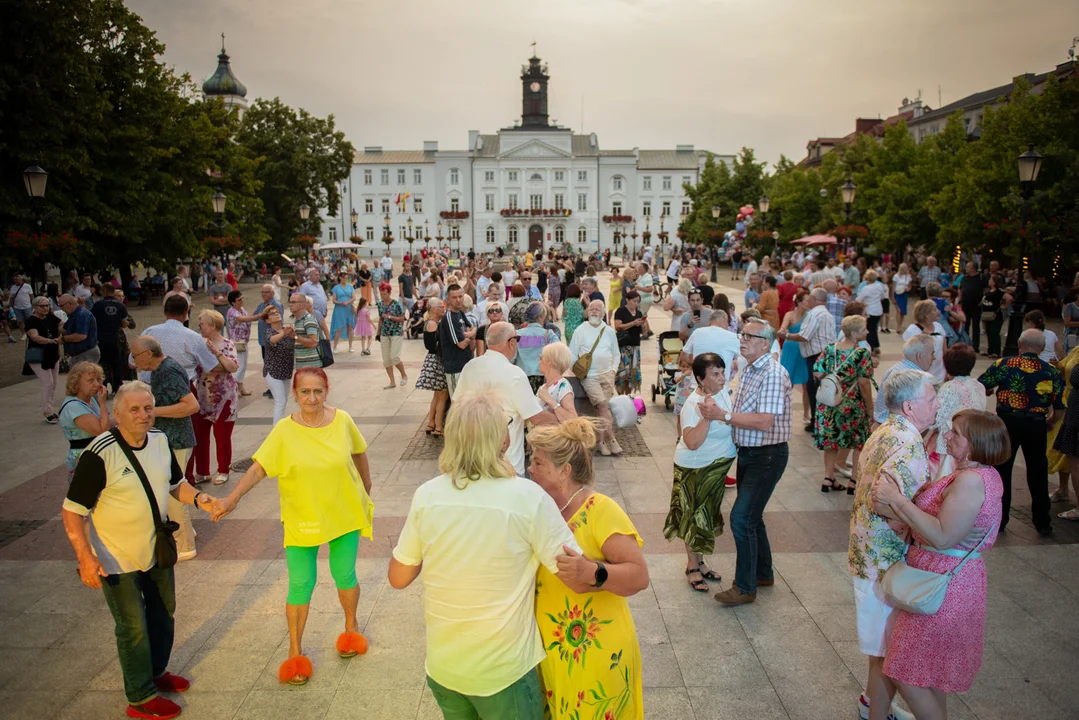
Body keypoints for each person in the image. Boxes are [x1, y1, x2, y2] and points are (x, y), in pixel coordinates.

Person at [388, 393, 579, 719]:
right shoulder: (528, 498)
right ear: (502, 441)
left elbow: (398, 577)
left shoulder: (427, 495)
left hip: (445, 669)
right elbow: (575, 572)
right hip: (504, 674)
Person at [62, 381, 216, 720]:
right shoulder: (99, 453)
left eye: (148, 408)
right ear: (117, 414)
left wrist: (201, 499)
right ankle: (140, 697)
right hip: (117, 561)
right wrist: (85, 557)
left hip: (156, 551)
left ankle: (157, 672)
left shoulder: (160, 441)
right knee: (133, 626)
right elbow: (73, 510)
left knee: (164, 614)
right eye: (134, 409)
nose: (144, 415)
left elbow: (176, 484)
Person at [210, 368, 373, 685]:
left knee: (345, 575)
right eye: (305, 392)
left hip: (344, 513)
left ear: (326, 391)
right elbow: (259, 470)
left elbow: (359, 452)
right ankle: (295, 652)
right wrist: (232, 499)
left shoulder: (343, 421)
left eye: (318, 391)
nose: (312, 398)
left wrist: (366, 487)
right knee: (301, 583)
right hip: (302, 517)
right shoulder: (284, 431)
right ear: (295, 394)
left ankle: (351, 630)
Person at [873, 410, 1008, 719]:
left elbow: (944, 537)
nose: (947, 435)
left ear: (975, 444)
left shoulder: (972, 481)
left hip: (945, 586)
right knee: (927, 674)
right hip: (942, 579)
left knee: (903, 669)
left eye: (956, 433)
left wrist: (897, 501)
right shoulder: (972, 473)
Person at [529, 418, 649, 720]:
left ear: (563, 471)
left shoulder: (599, 509)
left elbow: (639, 575)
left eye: (538, 462)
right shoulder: (539, 510)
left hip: (597, 653)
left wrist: (594, 572)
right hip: (553, 652)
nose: (529, 468)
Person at [847, 369, 938, 720]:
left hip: (868, 552)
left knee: (883, 645)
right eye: (931, 400)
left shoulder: (885, 428)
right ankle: (875, 707)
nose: (936, 406)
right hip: (885, 560)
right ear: (912, 405)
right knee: (889, 648)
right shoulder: (908, 441)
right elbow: (887, 503)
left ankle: (874, 704)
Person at [712, 321, 792, 606]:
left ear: (765, 343)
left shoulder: (771, 373)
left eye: (749, 336)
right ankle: (762, 573)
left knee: (741, 518)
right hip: (751, 452)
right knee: (753, 517)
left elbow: (764, 421)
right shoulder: (750, 369)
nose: (742, 340)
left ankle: (744, 587)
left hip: (766, 455)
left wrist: (723, 416)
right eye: (742, 334)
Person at [978, 329, 1063, 535]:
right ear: (1042, 348)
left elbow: (980, 385)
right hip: (1035, 424)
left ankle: (1000, 520)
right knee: (1037, 471)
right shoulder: (1051, 372)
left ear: (1019, 344)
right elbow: (1060, 408)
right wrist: (1050, 421)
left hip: (1007, 423)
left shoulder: (1004, 364)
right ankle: (1042, 522)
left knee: (1002, 470)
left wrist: (990, 390)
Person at [664, 353, 737, 593]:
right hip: (694, 468)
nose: (721, 378)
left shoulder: (721, 394)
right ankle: (692, 566)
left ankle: (701, 562)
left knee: (705, 517)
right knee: (693, 518)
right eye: (715, 374)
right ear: (700, 379)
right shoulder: (694, 404)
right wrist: (707, 417)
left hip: (715, 469)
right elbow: (692, 442)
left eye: (722, 372)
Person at [814, 315, 875, 494]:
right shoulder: (861, 353)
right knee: (858, 442)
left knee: (831, 441)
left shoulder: (830, 349)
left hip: (829, 403)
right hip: (852, 405)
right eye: (864, 329)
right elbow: (864, 383)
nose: (868, 331)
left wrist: (833, 380)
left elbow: (817, 372)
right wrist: (870, 407)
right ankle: (853, 482)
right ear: (855, 333)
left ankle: (828, 477)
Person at [190, 310, 239, 486]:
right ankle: (202, 472)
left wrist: (217, 354)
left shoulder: (226, 344)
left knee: (222, 436)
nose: (199, 326)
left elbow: (232, 367)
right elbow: (198, 367)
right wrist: (218, 366)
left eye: (202, 323)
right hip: (202, 396)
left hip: (224, 397)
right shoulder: (197, 345)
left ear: (212, 325)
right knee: (199, 436)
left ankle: (223, 470)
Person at [569, 300, 623, 456]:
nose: (593, 312)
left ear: (603, 313)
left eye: (597, 310)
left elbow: (616, 354)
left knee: (602, 409)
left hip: (607, 375)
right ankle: (612, 439)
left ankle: (601, 442)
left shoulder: (609, 331)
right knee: (603, 405)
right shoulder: (580, 330)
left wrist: (613, 371)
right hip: (589, 376)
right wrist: (579, 372)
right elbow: (572, 354)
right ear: (587, 312)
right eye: (591, 309)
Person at [929, 343, 988, 481]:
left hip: (952, 443)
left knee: (945, 478)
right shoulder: (979, 386)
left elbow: (937, 418)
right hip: (974, 442)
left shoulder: (949, 387)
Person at [780, 288, 835, 434]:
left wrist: (788, 336)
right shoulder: (827, 314)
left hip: (816, 356)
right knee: (820, 388)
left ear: (815, 299)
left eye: (810, 298)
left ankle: (817, 422)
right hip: (825, 354)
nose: (808, 301)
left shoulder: (814, 314)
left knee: (814, 389)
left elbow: (804, 336)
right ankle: (821, 421)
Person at [59, 361, 112, 479]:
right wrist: (103, 403)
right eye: (90, 380)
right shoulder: (73, 406)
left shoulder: (90, 400)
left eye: (98, 379)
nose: (97, 384)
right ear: (77, 383)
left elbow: (105, 422)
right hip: (85, 457)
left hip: (96, 452)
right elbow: (102, 430)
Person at [24, 295, 64, 423]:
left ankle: (50, 408)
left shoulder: (50, 317)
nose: (46, 308)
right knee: (48, 384)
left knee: (53, 384)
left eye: (47, 305)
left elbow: (62, 325)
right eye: (42, 306)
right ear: (35, 307)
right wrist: (50, 341)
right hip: (39, 356)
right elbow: (34, 337)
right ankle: (47, 411)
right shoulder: (31, 320)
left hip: (53, 355)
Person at [417, 298, 449, 436]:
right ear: (434, 309)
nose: (444, 309)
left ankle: (431, 423)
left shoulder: (432, 322)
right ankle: (438, 427)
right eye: (442, 307)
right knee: (442, 395)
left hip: (434, 360)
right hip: (437, 361)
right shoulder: (433, 324)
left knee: (437, 395)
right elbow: (431, 346)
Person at [91, 282, 130, 395]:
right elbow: (124, 323)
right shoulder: (120, 305)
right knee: (116, 364)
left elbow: (92, 320)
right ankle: (117, 387)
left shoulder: (98, 305)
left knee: (101, 365)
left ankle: (102, 387)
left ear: (104, 291)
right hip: (115, 339)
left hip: (101, 339)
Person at [260, 304, 295, 425]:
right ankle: (277, 429)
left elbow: (294, 342)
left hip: (285, 371)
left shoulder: (286, 330)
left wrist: (293, 335)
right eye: (273, 313)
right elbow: (272, 340)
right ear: (268, 320)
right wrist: (284, 333)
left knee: (284, 400)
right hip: (273, 371)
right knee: (280, 400)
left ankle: (281, 425)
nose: (276, 314)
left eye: (277, 312)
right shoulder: (269, 332)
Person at [439, 283, 476, 395]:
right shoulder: (449, 317)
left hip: (466, 365)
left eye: (460, 296)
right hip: (455, 368)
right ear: (448, 299)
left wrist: (469, 334)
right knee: (457, 403)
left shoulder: (460, 313)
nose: (458, 300)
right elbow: (461, 344)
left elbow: (472, 328)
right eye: (454, 297)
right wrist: (470, 335)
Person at [515, 302, 557, 392]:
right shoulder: (549, 335)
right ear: (540, 317)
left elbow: (511, 357)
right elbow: (559, 355)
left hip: (521, 377)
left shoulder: (517, 334)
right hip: (543, 377)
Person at [902, 300, 947, 384]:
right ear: (926, 314)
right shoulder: (912, 330)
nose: (938, 311)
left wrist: (948, 370)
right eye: (935, 309)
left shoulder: (939, 326)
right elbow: (908, 355)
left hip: (939, 376)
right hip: (920, 378)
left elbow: (945, 350)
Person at [613, 290, 649, 395]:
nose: (636, 304)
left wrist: (643, 325)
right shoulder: (620, 311)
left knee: (632, 375)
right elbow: (618, 326)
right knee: (622, 373)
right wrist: (633, 323)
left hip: (635, 347)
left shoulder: (638, 313)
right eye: (634, 301)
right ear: (627, 300)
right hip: (624, 347)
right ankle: (621, 396)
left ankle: (628, 396)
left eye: (638, 302)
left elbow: (644, 332)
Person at [375, 283, 408, 388]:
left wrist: (389, 317)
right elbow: (380, 319)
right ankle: (392, 382)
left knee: (394, 356)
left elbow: (402, 318)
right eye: (381, 294)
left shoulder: (396, 304)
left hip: (396, 332)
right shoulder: (380, 305)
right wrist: (378, 333)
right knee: (386, 359)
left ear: (389, 293)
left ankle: (404, 375)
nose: (383, 296)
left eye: (384, 294)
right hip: (384, 333)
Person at [535, 342, 578, 421]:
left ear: (549, 362)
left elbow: (573, 419)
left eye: (541, 358)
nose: (539, 362)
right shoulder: (543, 387)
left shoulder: (563, 386)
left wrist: (550, 401)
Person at [222, 290, 252, 397]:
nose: (242, 301)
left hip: (244, 342)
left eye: (242, 298)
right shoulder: (232, 312)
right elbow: (243, 319)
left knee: (243, 366)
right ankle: (232, 389)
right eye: (239, 300)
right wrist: (259, 316)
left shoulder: (242, 309)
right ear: (233, 302)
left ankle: (240, 387)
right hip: (236, 343)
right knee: (238, 366)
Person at [58, 293, 100, 365]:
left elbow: (80, 336)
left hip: (86, 353)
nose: (61, 309)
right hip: (79, 354)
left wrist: (63, 339)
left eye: (61, 306)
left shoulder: (81, 315)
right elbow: (65, 329)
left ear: (70, 303)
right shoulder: (74, 314)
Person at [856, 269, 888, 353]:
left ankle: (871, 347)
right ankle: (876, 345)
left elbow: (859, 299)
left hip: (869, 310)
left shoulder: (866, 288)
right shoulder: (879, 286)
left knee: (869, 330)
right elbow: (882, 297)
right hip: (878, 309)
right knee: (874, 328)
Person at [980, 274, 1006, 358]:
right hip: (987, 314)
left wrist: (1003, 306)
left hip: (996, 315)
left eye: (991, 280)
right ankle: (990, 350)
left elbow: (1009, 298)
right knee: (989, 332)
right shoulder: (989, 291)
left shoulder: (999, 291)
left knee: (994, 332)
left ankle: (996, 351)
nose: (989, 281)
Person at [329, 272, 356, 353]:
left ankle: (350, 346)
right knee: (339, 328)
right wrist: (341, 303)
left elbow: (354, 297)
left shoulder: (350, 287)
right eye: (344, 278)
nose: (346, 279)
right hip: (339, 309)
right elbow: (334, 300)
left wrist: (348, 302)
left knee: (350, 327)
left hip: (348, 308)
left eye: (347, 278)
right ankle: (335, 347)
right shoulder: (336, 288)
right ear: (340, 278)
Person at [892, 263, 912, 332]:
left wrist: (908, 289)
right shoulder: (896, 276)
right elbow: (893, 287)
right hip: (897, 294)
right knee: (898, 310)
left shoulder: (908, 276)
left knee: (902, 311)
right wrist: (892, 297)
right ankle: (898, 326)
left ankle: (900, 325)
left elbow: (909, 286)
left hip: (904, 294)